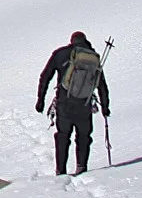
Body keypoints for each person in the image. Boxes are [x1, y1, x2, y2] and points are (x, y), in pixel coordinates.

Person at [35, 31, 110, 175]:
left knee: (63, 136)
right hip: (84, 105)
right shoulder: (92, 58)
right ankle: (81, 168)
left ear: (71, 41)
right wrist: (105, 107)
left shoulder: (60, 54)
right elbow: (102, 85)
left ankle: (60, 171)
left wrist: (40, 100)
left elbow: (45, 77)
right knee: (83, 137)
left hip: (64, 104)